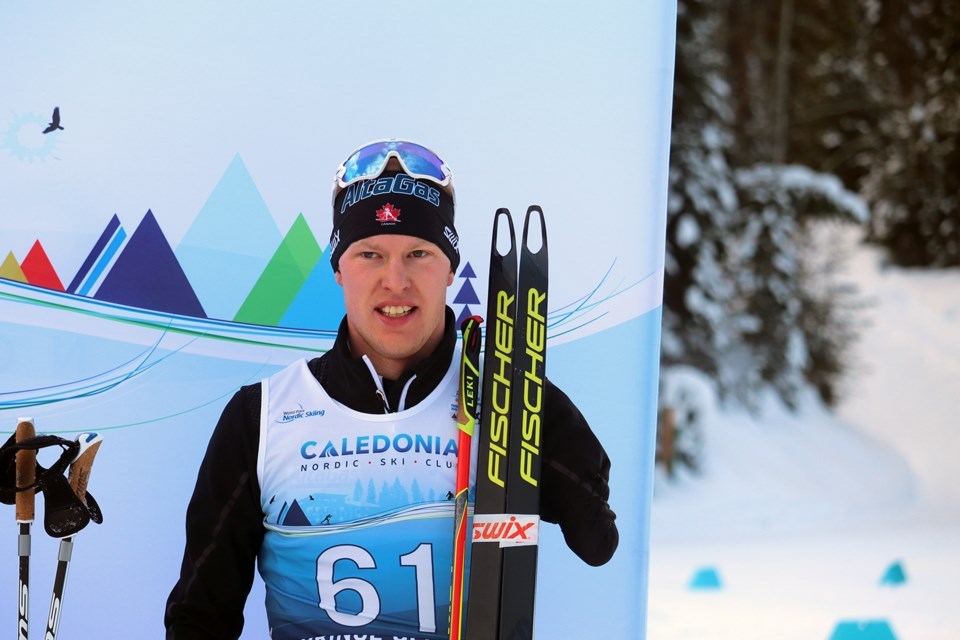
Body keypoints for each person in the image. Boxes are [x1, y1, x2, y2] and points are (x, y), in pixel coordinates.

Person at [165, 139, 618, 640]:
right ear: (338, 268)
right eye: (370, 254)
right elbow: (200, 615)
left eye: (419, 253)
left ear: (450, 268)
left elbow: (597, 541)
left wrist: (538, 427)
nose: (395, 281)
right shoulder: (263, 415)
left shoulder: (510, 398)